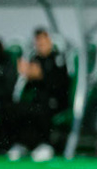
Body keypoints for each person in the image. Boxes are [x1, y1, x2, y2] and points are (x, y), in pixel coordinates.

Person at [10, 29, 70, 159]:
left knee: (41, 109)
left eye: (43, 42)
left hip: (56, 101)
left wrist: (41, 75)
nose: (40, 45)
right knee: (18, 108)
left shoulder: (57, 58)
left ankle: (45, 144)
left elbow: (59, 83)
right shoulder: (35, 58)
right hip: (38, 100)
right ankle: (23, 144)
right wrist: (27, 75)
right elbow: (29, 83)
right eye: (38, 42)